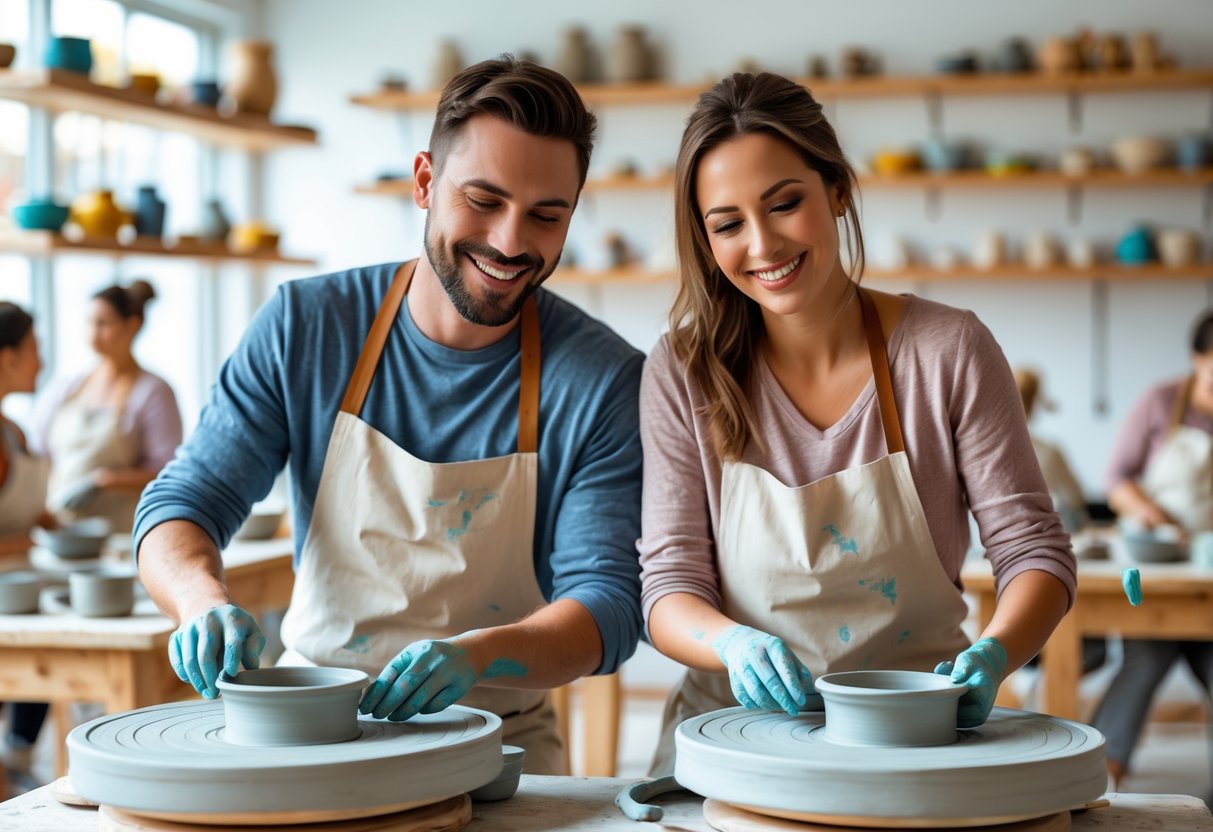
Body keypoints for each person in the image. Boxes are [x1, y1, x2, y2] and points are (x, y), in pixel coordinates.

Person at [134, 57, 644, 774]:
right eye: (483, 200)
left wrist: (480, 653)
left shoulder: (601, 378)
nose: (508, 242)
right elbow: (186, 500)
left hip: (499, 742)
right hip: (304, 727)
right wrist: (196, 599)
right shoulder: (305, 327)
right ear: (425, 182)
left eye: (545, 215)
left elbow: (608, 604)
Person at [636, 72, 1076, 774]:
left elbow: (1033, 553)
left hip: (916, 734)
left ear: (836, 190)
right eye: (726, 224)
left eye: (785, 204)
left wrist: (995, 653)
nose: (762, 245)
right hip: (730, 737)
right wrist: (730, 645)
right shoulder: (682, 369)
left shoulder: (947, 350)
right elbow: (668, 589)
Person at [1092, 310, 1213, 791]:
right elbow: (1117, 480)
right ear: (1197, 358)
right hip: (1157, 566)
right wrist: (1155, 517)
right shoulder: (1162, 402)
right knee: (1147, 654)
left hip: (1209, 572)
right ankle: (1096, 775)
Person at [30, 280, 182, 534]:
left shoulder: (153, 392)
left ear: (132, 325)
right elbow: (37, 452)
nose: (93, 335)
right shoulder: (67, 387)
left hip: (119, 536)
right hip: (62, 530)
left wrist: (103, 481)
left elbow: (166, 472)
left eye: (103, 324)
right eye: (89, 323)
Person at [0, 302, 53, 794]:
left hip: (25, 594)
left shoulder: (14, 431)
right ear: (6, 358)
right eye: (33, 349)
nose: (41, 361)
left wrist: (49, 522)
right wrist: (35, 538)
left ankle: (18, 760)